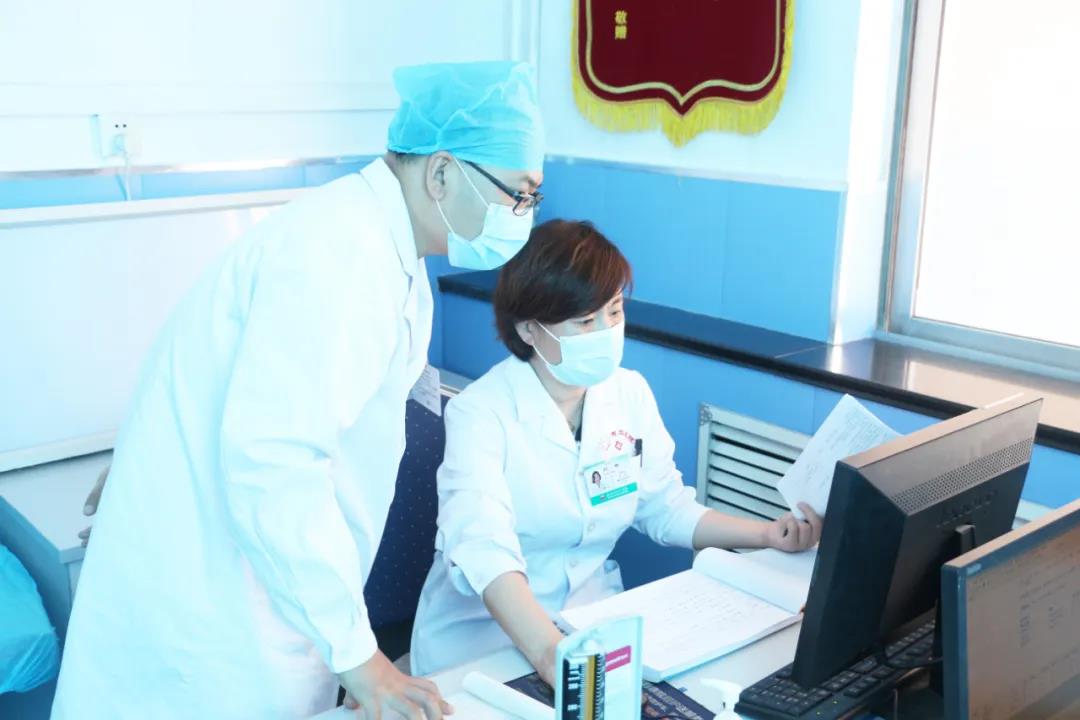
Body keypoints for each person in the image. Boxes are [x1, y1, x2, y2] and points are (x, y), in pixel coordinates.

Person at [54, 61, 544, 720]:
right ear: (442, 174)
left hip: (268, 587)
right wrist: (362, 662)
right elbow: (275, 461)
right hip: (219, 615)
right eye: (519, 194)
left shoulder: (382, 251)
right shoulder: (340, 254)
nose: (523, 216)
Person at [409, 220, 823, 684]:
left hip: (590, 623)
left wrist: (766, 535)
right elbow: (483, 547)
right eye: (585, 322)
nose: (606, 331)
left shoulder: (629, 393)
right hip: (484, 642)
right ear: (529, 330)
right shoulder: (480, 412)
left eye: (614, 311)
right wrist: (549, 653)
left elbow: (666, 509)